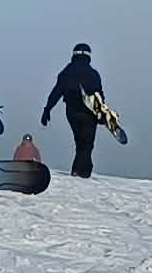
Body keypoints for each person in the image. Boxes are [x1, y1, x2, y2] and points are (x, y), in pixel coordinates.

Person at [40, 43, 106, 179]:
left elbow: (57, 92)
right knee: (87, 143)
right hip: (89, 114)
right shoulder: (93, 74)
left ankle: (79, 170)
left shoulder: (66, 73)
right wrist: (102, 113)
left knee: (80, 141)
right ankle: (82, 171)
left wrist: (47, 109)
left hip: (72, 112)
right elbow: (99, 95)